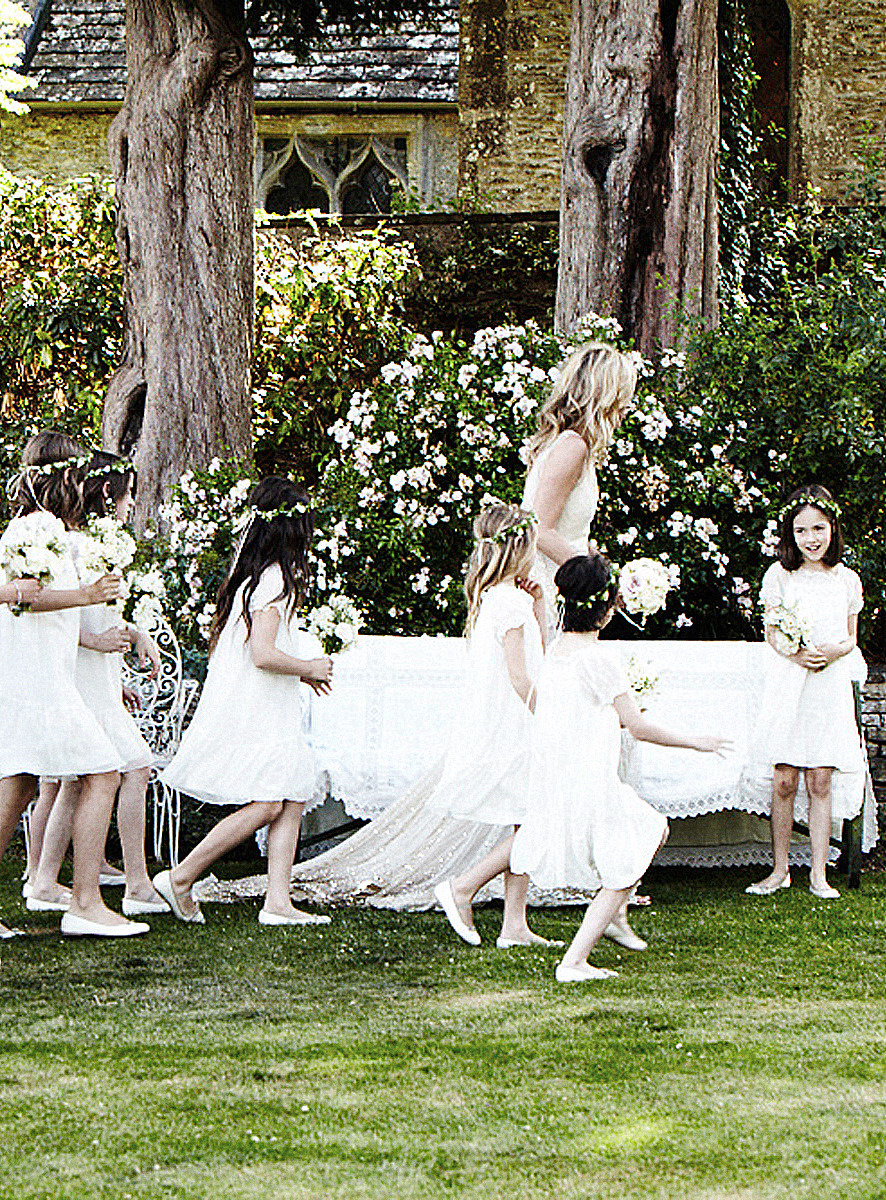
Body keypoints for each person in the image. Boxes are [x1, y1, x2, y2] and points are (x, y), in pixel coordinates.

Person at [511, 555, 731, 983]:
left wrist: (540, 603)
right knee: (631, 853)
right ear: (610, 608)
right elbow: (639, 726)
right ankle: (574, 960)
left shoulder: (558, 651)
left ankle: (612, 917)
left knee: (654, 829)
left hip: (567, 775)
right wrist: (696, 742)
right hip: (588, 780)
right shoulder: (597, 660)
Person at [155, 477, 334, 926]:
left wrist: (300, 671)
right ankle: (181, 877)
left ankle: (278, 900)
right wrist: (308, 666)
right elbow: (262, 655)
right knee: (269, 802)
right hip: (258, 705)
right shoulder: (273, 578)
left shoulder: (257, 575)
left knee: (292, 794)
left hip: (267, 700)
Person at [0, 431, 147, 938]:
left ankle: (82, 899)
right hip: (37, 684)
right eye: (77, 471)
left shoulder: (47, 529)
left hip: (43, 676)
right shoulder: (36, 528)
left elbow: (50, 609)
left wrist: (95, 635)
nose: (82, 480)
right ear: (63, 474)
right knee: (103, 772)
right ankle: (85, 903)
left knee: (18, 787)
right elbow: (25, 597)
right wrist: (86, 593)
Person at [25, 451, 167, 918]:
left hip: (99, 675)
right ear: (109, 493)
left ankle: (45, 880)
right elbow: (61, 616)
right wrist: (96, 641)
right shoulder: (68, 544)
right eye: (129, 494)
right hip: (79, 673)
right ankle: (136, 883)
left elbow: (102, 611)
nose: (132, 505)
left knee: (76, 780)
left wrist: (134, 637)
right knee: (132, 765)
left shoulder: (99, 542)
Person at [432, 504, 556, 948]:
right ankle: (463, 885)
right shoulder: (509, 602)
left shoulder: (500, 598)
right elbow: (521, 675)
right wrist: (554, 716)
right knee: (535, 822)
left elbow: (538, 648)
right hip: (519, 726)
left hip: (512, 724)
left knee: (526, 821)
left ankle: (514, 924)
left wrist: (539, 601)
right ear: (520, 549)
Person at [744, 485, 865, 900]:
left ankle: (818, 872)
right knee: (784, 779)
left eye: (818, 528)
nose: (811, 538)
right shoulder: (779, 575)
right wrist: (795, 654)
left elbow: (851, 638)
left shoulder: (846, 579)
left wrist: (832, 652)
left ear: (833, 528)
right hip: (790, 681)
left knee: (820, 779)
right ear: (790, 535)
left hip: (826, 684)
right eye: (801, 530)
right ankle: (779, 870)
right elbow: (772, 631)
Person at [521, 341, 638, 628]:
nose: (627, 407)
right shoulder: (572, 447)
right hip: (552, 583)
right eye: (623, 396)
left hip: (566, 579)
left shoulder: (572, 444)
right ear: (604, 395)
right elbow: (540, 528)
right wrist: (597, 579)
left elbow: (568, 528)